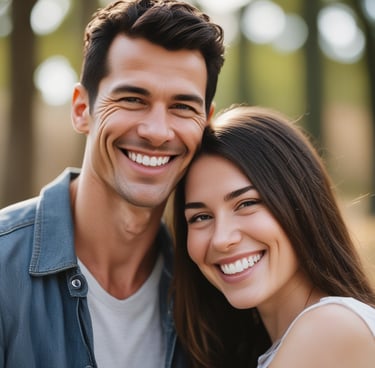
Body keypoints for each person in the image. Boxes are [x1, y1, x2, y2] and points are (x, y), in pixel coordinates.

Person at [0, 1, 225, 367]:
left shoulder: (215, 289)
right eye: (133, 99)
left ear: (206, 122)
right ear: (81, 109)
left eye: (183, 107)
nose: (156, 132)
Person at [172, 105, 375, 368]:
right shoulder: (280, 342)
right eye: (201, 217)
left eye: (246, 204)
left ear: (301, 203)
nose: (221, 239)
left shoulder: (330, 326)